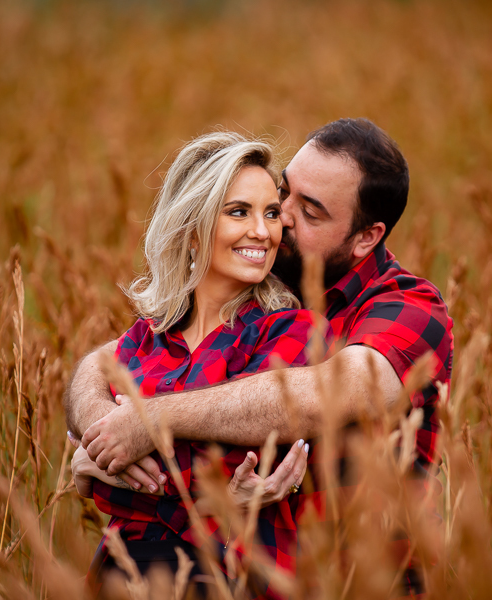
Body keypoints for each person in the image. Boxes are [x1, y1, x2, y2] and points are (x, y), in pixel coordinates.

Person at [70, 118, 453, 591]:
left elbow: (324, 396)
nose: (280, 220)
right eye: (283, 195)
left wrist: (143, 432)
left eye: (310, 212)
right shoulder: (262, 284)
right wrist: (98, 428)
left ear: (365, 238)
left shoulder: (407, 309)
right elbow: (107, 362)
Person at [66, 131, 331, 598]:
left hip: (225, 576)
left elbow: (250, 459)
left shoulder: (289, 331)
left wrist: (98, 471)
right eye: (238, 212)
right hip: (119, 574)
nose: (263, 231)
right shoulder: (148, 338)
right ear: (192, 229)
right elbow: (206, 473)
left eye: (272, 213)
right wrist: (211, 494)